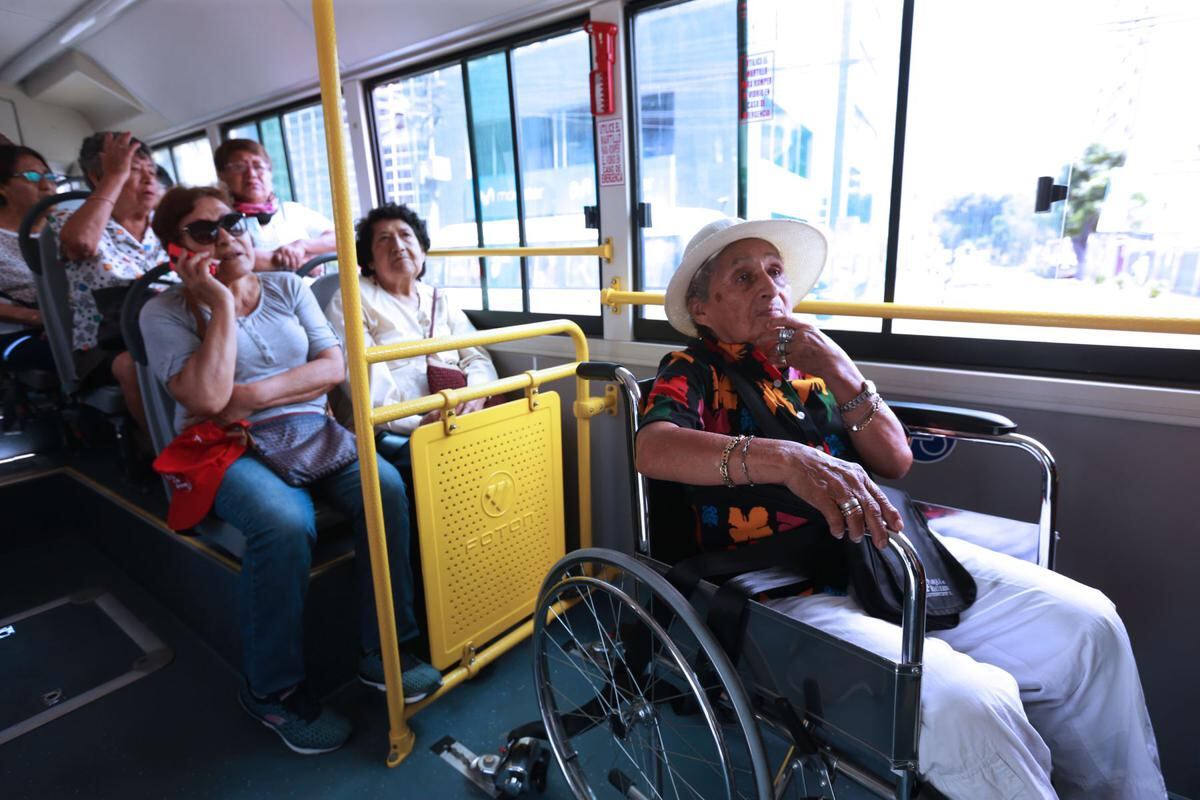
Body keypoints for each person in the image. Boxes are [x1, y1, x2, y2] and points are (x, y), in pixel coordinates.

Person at [636, 217, 1166, 800]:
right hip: (782, 582)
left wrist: (839, 368)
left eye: (775, 270)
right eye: (743, 277)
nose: (770, 288)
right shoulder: (693, 371)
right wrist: (787, 459)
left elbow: (893, 460)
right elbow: (653, 446)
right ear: (702, 308)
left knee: (1089, 623)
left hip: (883, 550)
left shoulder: (811, 371)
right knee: (972, 704)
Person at [140, 186, 441, 755]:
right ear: (174, 249)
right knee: (283, 521)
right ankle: (272, 691)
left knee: (387, 487)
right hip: (226, 444)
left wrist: (249, 393)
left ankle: (387, 648)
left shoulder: (286, 287)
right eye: (205, 232)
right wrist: (223, 304)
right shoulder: (165, 312)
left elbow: (330, 368)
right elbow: (206, 398)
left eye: (231, 222)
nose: (226, 237)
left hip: (308, 429)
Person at [325, 203, 497, 466]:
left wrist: (475, 396)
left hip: (454, 415)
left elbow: (477, 357)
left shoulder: (439, 299)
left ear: (422, 250)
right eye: (384, 239)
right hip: (393, 432)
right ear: (369, 259)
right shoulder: (351, 300)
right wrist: (419, 422)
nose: (398, 245)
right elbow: (369, 391)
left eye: (406, 235)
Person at [49, 132, 163, 431]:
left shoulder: (166, 223)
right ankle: (159, 453)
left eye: (152, 172)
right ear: (98, 176)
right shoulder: (69, 219)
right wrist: (115, 174)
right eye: (134, 172)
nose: (149, 180)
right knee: (132, 365)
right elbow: (81, 244)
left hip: (170, 325)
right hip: (107, 344)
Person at [213, 139, 335, 272]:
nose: (251, 174)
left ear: (270, 173)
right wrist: (303, 263)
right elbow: (227, 259)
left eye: (258, 166)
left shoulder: (291, 211)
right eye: (239, 167)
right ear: (222, 176)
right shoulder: (221, 221)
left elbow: (340, 238)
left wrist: (302, 245)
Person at [0, 144, 58, 373]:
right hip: (20, 332)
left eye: (50, 176)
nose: (46, 185)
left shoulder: (70, 229)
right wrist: (39, 318)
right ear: (3, 187)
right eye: (32, 176)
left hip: (80, 322)